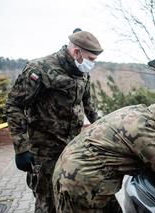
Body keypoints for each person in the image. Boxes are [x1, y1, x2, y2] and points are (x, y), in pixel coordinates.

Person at [6, 28, 103, 213]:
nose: (92, 64)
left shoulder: (82, 72)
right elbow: (14, 105)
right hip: (44, 152)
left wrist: (104, 128)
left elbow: (88, 104)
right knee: (46, 203)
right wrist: (21, 148)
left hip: (70, 148)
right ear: (76, 52)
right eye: (91, 59)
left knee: (67, 198)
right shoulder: (39, 69)